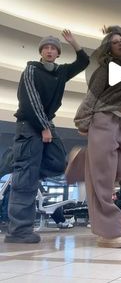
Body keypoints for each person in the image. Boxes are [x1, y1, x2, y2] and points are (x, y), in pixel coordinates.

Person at [4, 30, 89, 243]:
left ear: (58, 53)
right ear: (41, 52)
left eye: (53, 48)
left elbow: (84, 61)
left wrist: (73, 43)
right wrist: (43, 126)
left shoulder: (60, 72)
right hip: (28, 124)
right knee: (25, 180)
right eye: (46, 48)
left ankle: (20, 166)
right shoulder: (31, 69)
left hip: (45, 123)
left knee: (59, 161)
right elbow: (30, 100)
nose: (49, 51)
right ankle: (19, 231)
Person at [66, 25, 121, 248]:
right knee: (102, 178)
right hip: (104, 118)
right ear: (108, 48)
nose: (120, 43)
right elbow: (91, 97)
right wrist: (83, 121)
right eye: (114, 41)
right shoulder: (106, 68)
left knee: (120, 171)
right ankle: (111, 232)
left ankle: (84, 158)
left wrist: (115, 28)